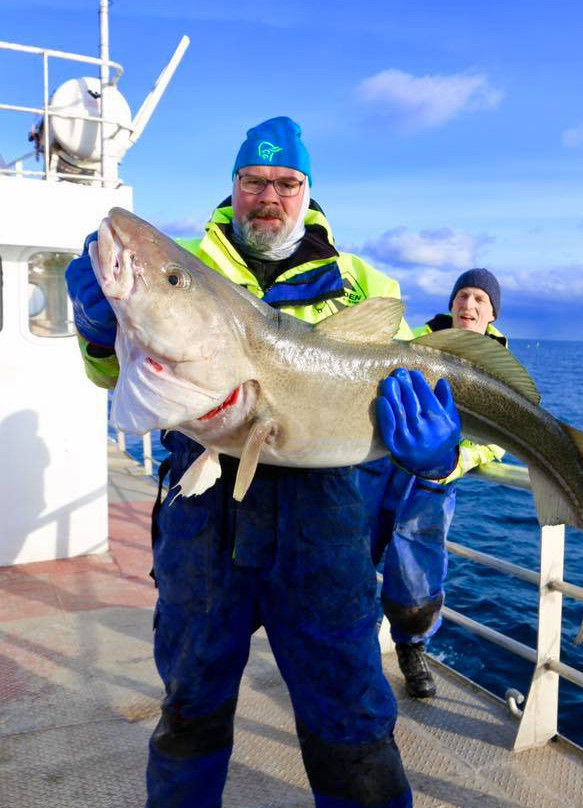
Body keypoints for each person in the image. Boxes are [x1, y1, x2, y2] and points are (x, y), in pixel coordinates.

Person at [65, 116, 462, 808]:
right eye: (254, 181)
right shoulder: (186, 265)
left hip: (325, 540)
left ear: (307, 191)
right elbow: (111, 375)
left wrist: (440, 455)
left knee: (353, 726)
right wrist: (99, 327)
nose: (268, 197)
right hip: (203, 527)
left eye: (285, 182)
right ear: (234, 186)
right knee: (189, 711)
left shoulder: (366, 283)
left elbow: (437, 406)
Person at [357, 268, 508, 700]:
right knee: (351, 563)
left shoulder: (499, 370)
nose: (469, 304)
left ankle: (412, 650)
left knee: (416, 579)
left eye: (480, 298)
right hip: (374, 471)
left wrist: (458, 461)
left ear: (492, 313)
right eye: (463, 295)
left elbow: (496, 441)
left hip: (428, 485)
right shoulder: (415, 343)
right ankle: (354, 651)